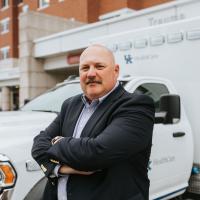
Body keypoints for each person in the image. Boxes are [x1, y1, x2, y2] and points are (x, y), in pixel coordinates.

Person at [32, 44, 155, 200]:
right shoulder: (70, 104)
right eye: (84, 68)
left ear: (115, 71)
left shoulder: (136, 105)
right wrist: (62, 168)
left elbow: (96, 154)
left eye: (99, 66)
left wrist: (57, 142)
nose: (91, 73)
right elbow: (38, 146)